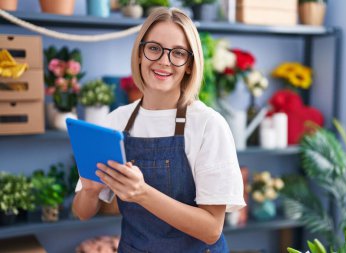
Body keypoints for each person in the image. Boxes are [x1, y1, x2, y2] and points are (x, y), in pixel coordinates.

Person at [72, 7, 245, 253]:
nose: (164, 61)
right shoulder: (116, 122)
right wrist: (90, 192)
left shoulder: (208, 124)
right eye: (154, 48)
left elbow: (211, 230)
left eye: (178, 53)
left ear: (189, 64)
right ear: (140, 53)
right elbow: (82, 213)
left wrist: (141, 193)